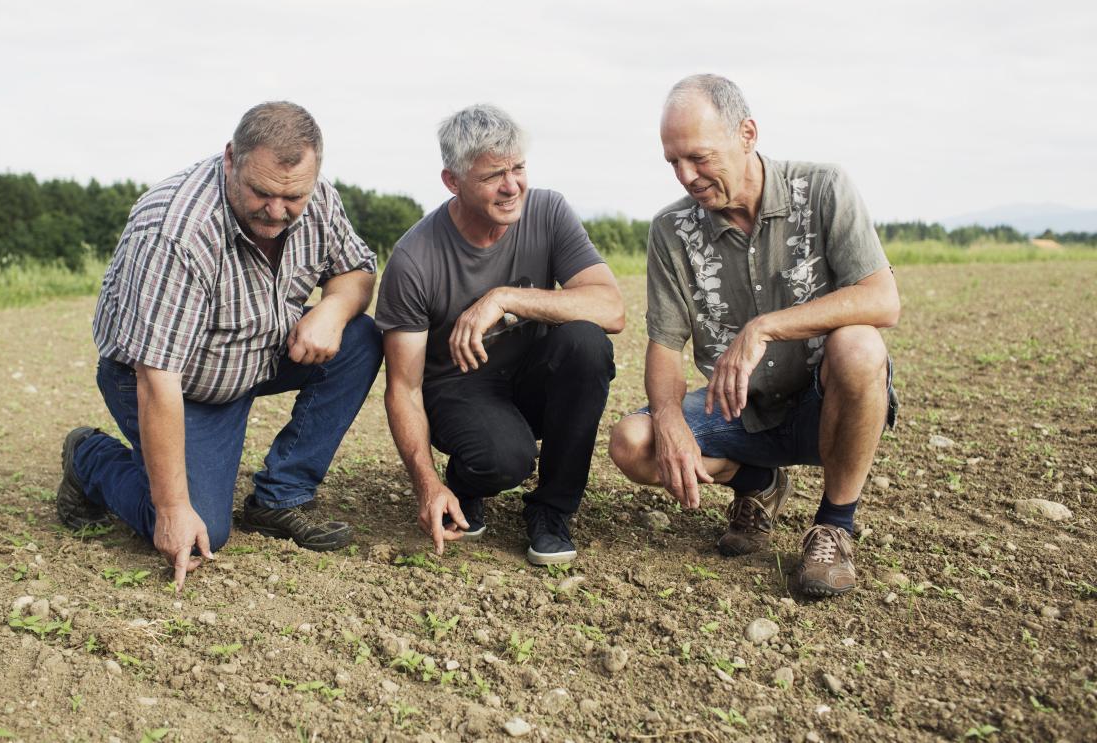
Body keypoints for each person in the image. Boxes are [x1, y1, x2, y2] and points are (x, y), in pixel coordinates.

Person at [57, 101, 382, 592]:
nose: (277, 211)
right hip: (173, 381)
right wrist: (170, 510)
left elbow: (358, 269)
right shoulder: (175, 232)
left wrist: (333, 311)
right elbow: (156, 377)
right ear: (231, 159)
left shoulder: (316, 199)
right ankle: (89, 458)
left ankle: (281, 496)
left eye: (293, 196)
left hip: (258, 349)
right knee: (202, 525)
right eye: (261, 192)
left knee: (360, 337)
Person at [608, 75, 900, 597]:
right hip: (738, 411)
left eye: (698, 157)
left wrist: (764, 327)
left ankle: (834, 525)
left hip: (823, 406)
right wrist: (671, 420)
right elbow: (665, 345)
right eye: (673, 162)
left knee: (859, 346)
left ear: (747, 133)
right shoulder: (671, 231)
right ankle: (757, 483)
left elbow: (882, 300)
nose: (686, 176)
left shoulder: (824, 188)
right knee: (634, 443)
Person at [377, 104, 624, 566]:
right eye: (493, 175)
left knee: (586, 344)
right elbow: (404, 390)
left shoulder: (548, 211)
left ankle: (553, 510)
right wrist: (428, 485)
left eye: (518, 168)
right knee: (503, 460)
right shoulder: (414, 258)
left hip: (532, 373)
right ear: (453, 181)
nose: (512, 186)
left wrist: (504, 299)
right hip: (460, 385)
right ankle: (469, 479)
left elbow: (610, 308)